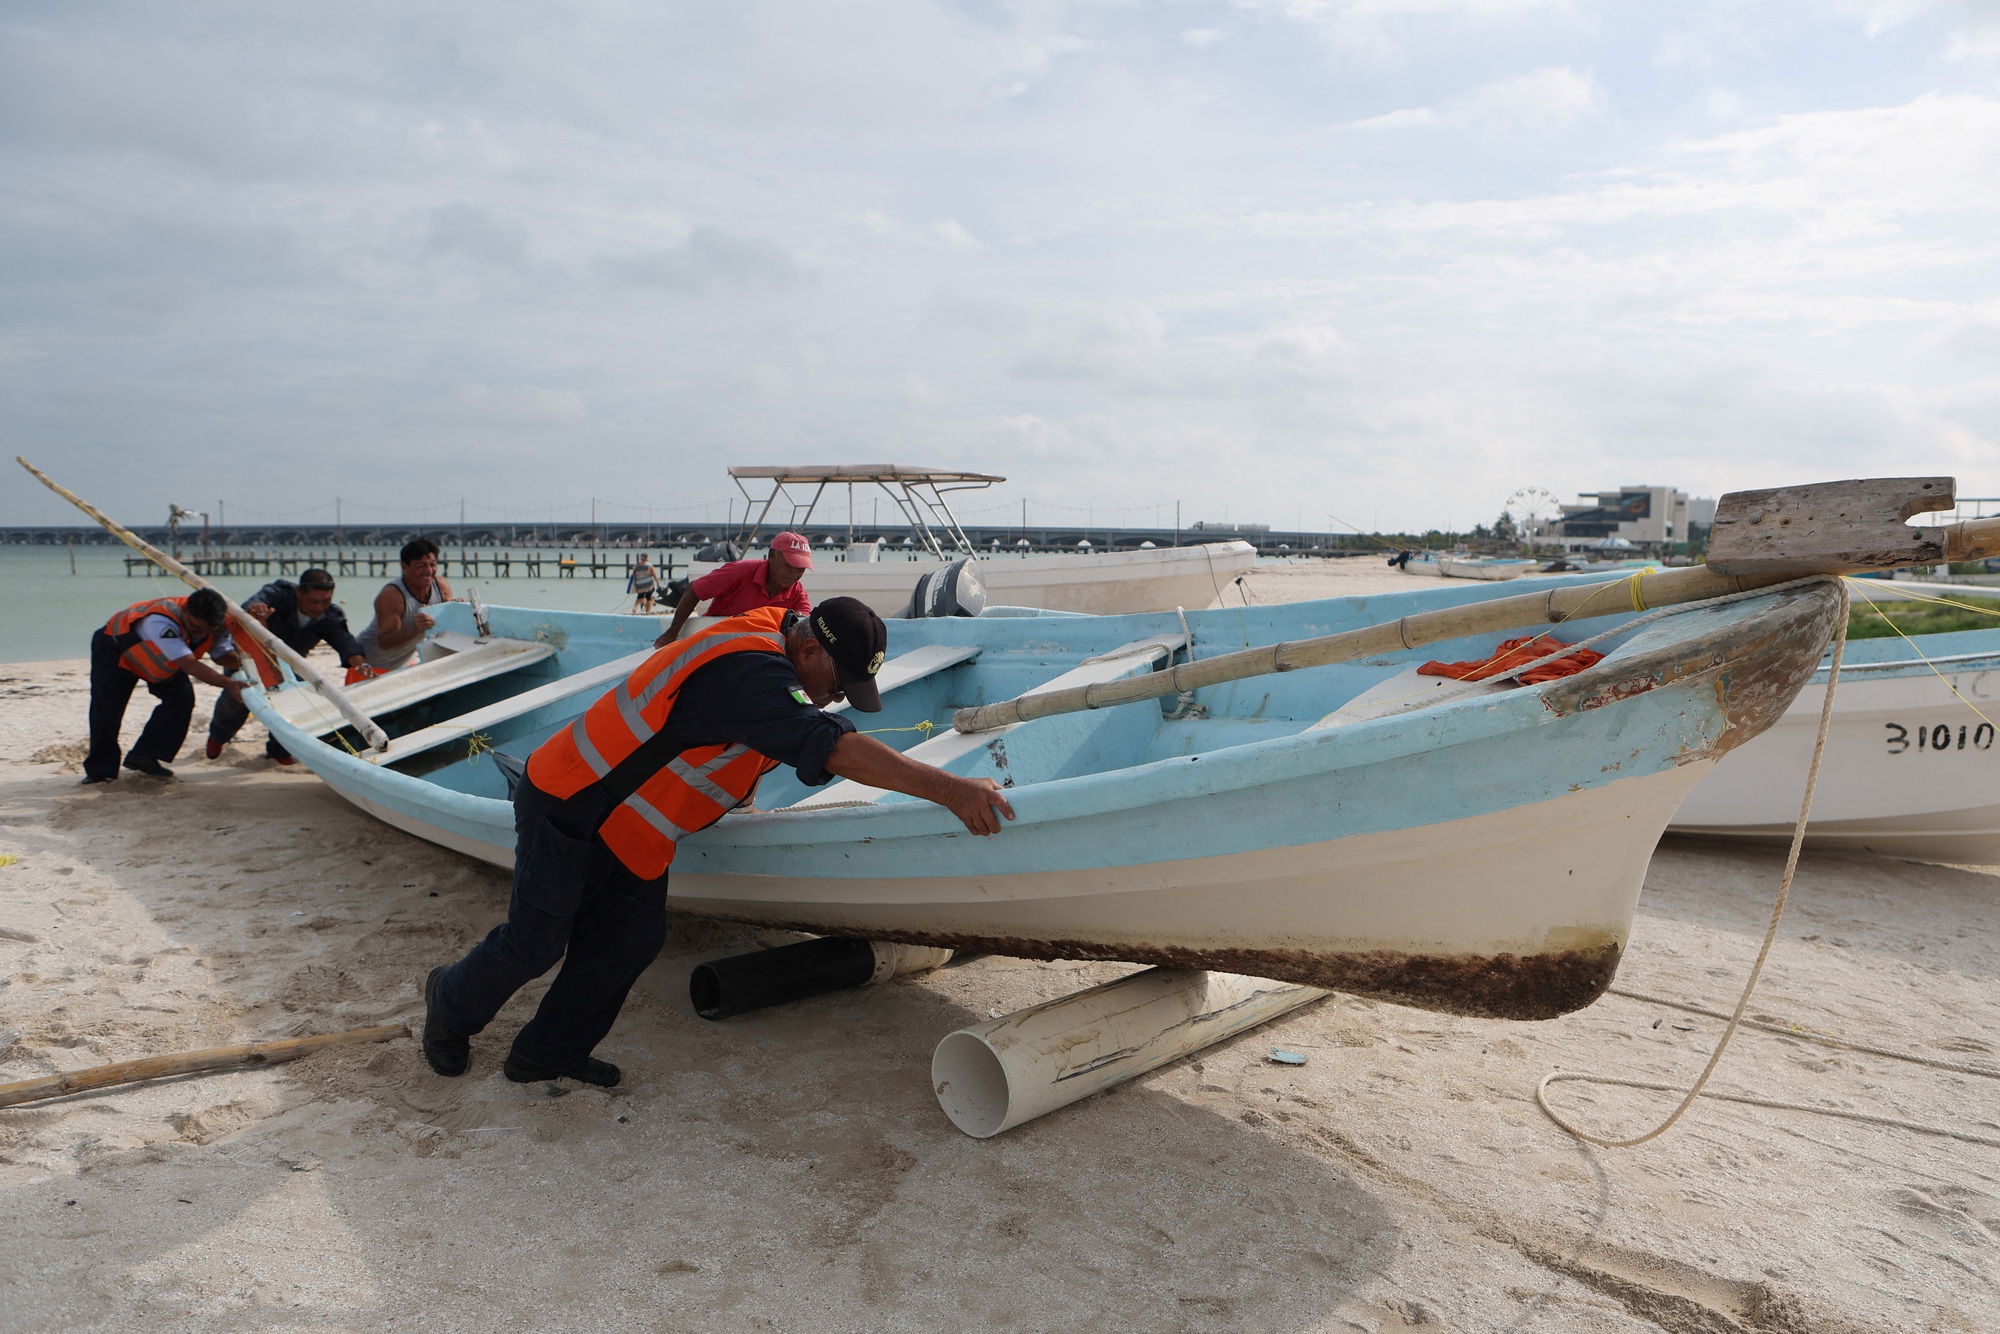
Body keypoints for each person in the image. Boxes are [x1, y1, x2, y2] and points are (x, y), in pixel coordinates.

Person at [421, 596, 1012, 1087]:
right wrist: (950, 789)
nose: (835, 699)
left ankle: (546, 1053)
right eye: (838, 685)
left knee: (629, 941)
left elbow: (741, 738)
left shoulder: (777, 636)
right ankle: (449, 1004)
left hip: (636, 824)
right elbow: (829, 743)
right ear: (807, 650)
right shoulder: (751, 672)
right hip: (573, 798)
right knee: (537, 941)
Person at [205, 568, 369, 765]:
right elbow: (249, 606)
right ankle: (218, 738)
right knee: (235, 702)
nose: (319, 607)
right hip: (249, 656)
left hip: (290, 665)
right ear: (299, 592)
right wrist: (255, 610)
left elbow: (346, 642)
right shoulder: (278, 592)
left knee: (295, 703)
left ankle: (278, 752)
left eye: (325, 601)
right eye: (313, 601)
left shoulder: (330, 616)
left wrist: (360, 665)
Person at [84, 588, 246, 784]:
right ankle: (100, 772)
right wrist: (228, 684)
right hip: (117, 650)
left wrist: (249, 663)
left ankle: (145, 756)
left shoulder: (217, 623)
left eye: (207, 630)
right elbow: (190, 664)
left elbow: (220, 656)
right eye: (195, 628)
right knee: (107, 710)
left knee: (182, 700)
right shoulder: (159, 621)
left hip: (158, 659)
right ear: (185, 611)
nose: (201, 634)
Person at [654, 531, 813, 648]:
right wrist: (673, 632)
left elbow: (803, 623)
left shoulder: (798, 592)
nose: (794, 573)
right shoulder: (740, 571)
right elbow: (694, 589)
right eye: (789, 565)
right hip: (715, 642)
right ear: (772, 555)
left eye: (801, 568)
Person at [356, 537, 455, 674]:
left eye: (433, 564)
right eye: (421, 566)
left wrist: (457, 608)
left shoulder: (441, 587)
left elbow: (445, 625)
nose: (428, 571)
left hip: (405, 663)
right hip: (370, 663)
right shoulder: (392, 596)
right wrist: (414, 629)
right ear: (404, 566)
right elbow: (385, 642)